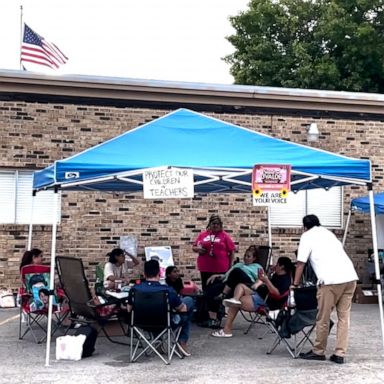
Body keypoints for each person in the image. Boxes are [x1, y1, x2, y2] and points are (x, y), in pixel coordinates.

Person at [293, 214, 358, 364]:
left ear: (304, 226)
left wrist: (295, 284)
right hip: (350, 277)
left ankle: (318, 351)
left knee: (323, 317)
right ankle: (340, 353)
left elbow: (300, 263)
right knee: (344, 318)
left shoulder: (307, 236)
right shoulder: (329, 233)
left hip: (330, 281)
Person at [211, 256, 293, 337]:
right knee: (240, 286)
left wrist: (266, 281)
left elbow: (277, 294)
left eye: (277, 264)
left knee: (235, 304)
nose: (275, 266)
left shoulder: (285, 280)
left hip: (265, 302)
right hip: (260, 294)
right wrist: (267, 275)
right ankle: (235, 299)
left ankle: (227, 330)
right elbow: (268, 283)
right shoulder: (277, 274)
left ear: (282, 266)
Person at [127, 260, 194, 356]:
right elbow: (182, 309)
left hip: (141, 324)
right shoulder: (167, 290)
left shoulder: (134, 289)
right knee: (188, 302)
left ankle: (158, 341)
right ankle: (182, 341)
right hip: (165, 323)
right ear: (159, 273)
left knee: (152, 311)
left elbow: (129, 309)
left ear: (144, 274)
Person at [192, 214, 236, 327]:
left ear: (221, 225)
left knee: (216, 293)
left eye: (217, 224)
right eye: (213, 223)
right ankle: (208, 316)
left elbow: (232, 252)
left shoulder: (224, 236)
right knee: (207, 292)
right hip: (205, 268)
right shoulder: (203, 235)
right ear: (209, 224)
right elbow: (194, 246)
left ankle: (218, 315)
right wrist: (198, 249)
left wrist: (230, 267)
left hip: (220, 269)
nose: (215, 225)